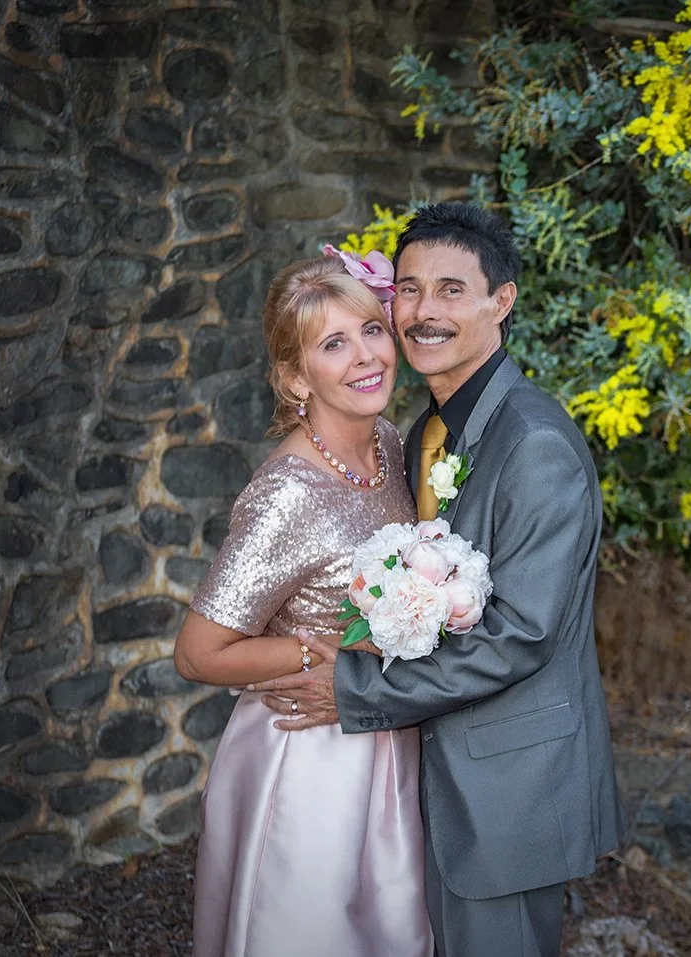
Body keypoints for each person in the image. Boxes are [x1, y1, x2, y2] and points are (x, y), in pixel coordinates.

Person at [248, 203, 625, 957]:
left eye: (452, 290)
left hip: (507, 792)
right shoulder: (428, 431)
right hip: (435, 775)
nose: (423, 311)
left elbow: (519, 636)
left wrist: (350, 689)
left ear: (501, 301)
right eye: (410, 289)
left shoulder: (535, 444)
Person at [172, 251, 433, 957]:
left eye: (372, 330)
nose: (366, 357)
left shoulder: (387, 443)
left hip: (380, 733)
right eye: (332, 344)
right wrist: (339, 647)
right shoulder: (287, 494)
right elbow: (197, 653)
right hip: (308, 758)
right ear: (295, 377)